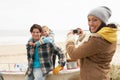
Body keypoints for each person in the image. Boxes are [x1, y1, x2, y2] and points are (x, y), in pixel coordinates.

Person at [66, 6, 117, 80]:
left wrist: (70, 38)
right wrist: (83, 36)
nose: (90, 23)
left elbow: (73, 54)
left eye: (95, 20)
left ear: (103, 21)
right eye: (89, 20)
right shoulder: (109, 35)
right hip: (102, 75)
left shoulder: (98, 41)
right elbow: (93, 47)